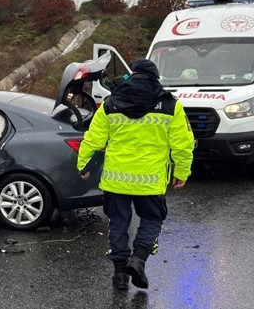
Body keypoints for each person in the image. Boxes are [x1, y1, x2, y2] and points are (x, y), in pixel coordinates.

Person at [77, 59, 194, 291]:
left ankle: (120, 274)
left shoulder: (110, 104)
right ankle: (138, 259)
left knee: (118, 224)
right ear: (156, 79)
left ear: (133, 76)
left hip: (115, 180)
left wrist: (83, 166)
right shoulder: (171, 106)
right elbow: (183, 144)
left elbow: (93, 139)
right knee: (152, 219)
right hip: (150, 182)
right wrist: (182, 171)